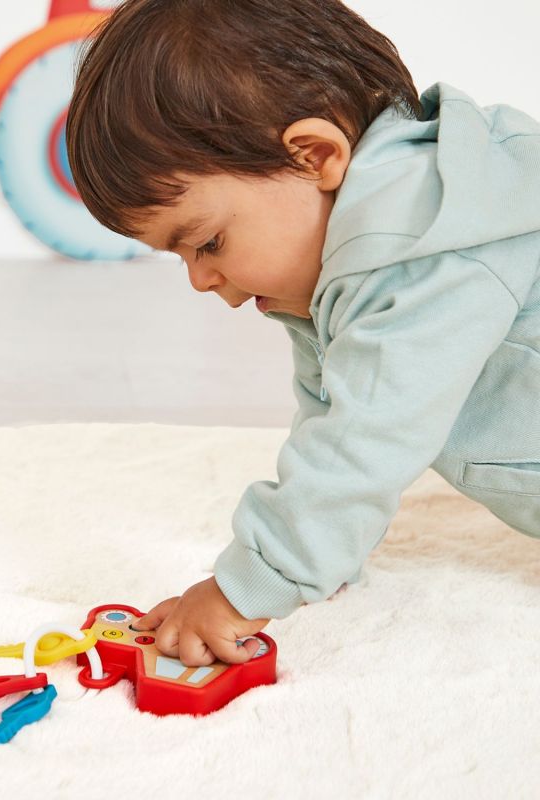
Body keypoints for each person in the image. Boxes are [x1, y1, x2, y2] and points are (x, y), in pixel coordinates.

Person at [65, 0, 540, 668]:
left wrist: (242, 591)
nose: (201, 280)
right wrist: (307, 556)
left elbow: (364, 444)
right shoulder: (342, 266)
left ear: (314, 155)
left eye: (207, 242)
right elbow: (335, 422)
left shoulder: (417, 250)